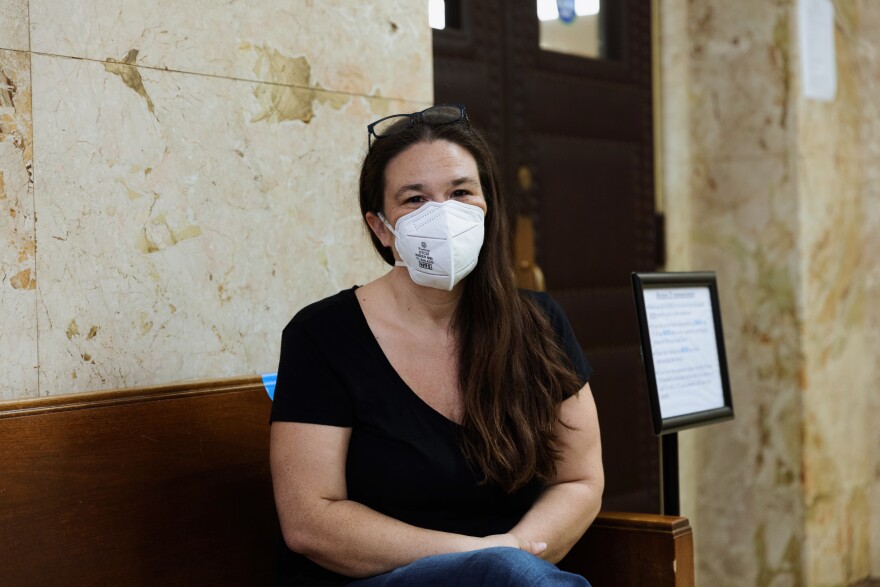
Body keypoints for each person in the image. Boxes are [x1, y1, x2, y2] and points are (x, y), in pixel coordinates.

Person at [269, 104, 604, 586]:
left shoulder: (539, 323)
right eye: (414, 199)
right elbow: (309, 521)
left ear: (487, 206)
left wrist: (513, 557)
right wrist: (483, 558)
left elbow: (579, 479)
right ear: (381, 227)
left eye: (460, 192)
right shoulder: (321, 335)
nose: (443, 214)